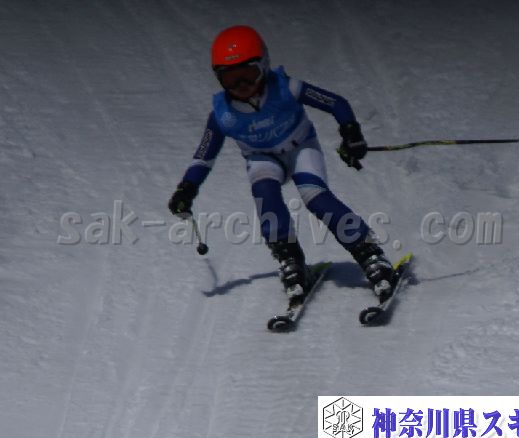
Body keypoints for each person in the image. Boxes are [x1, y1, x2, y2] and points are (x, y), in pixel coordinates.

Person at [168, 25, 395, 300]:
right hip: (262, 158)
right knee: (266, 195)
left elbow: (336, 103)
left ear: (264, 66)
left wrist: (351, 132)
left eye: (248, 75)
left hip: (301, 149)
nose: (242, 86)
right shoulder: (222, 115)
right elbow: (204, 156)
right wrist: (187, 188)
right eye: (231, 79)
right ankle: (290, 259)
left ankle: (370, 253)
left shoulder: (285, 87)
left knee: (317, 199)